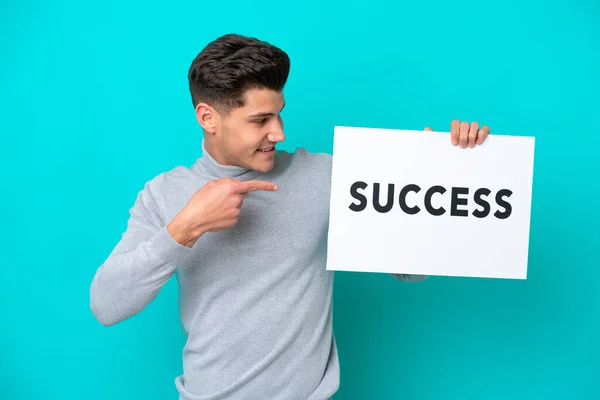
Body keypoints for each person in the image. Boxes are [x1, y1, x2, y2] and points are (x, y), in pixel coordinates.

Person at [90, 33, 491, 400]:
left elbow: (411, 271)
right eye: (260, 121)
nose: (279, 132)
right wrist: (186, 227)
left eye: (279, 114)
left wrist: (436, 171)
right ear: (208, 117)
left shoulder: (326, 175)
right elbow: (107, 304)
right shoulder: (163, 194)